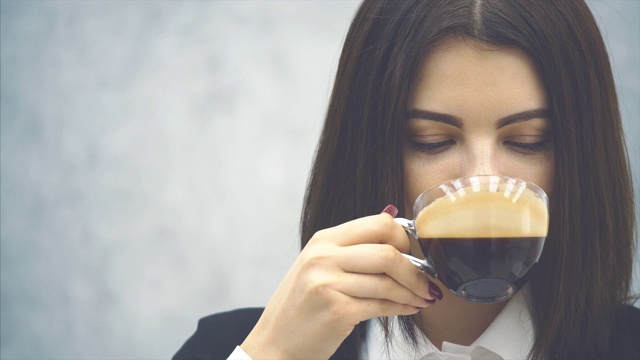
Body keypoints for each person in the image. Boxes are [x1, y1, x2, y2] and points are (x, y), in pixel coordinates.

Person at [173, 0, 639, 359]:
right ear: (367, 152)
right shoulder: (235, 347)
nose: (483, 181)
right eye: (431, 140)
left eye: (529, 140)